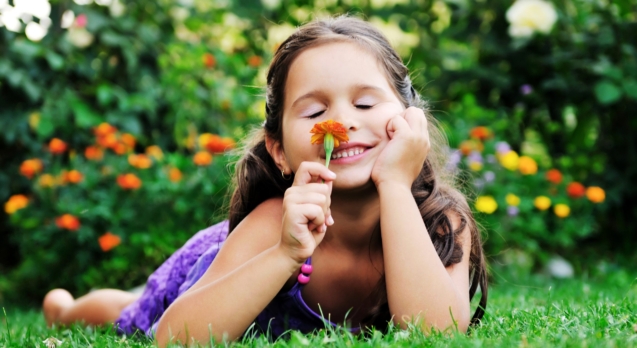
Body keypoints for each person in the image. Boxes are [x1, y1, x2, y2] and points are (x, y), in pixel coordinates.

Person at [43, 15, 488, 345]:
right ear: (278, 150)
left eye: (367, 104)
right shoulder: (273, 222)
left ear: (410, 118)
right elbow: (175, 340)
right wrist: (285, 253)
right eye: (314, 112)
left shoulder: (440, 223)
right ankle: (63, 308)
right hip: (221, 267)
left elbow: (435, 333)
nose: (341, 122)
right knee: (127, 312)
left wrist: (394, 183)